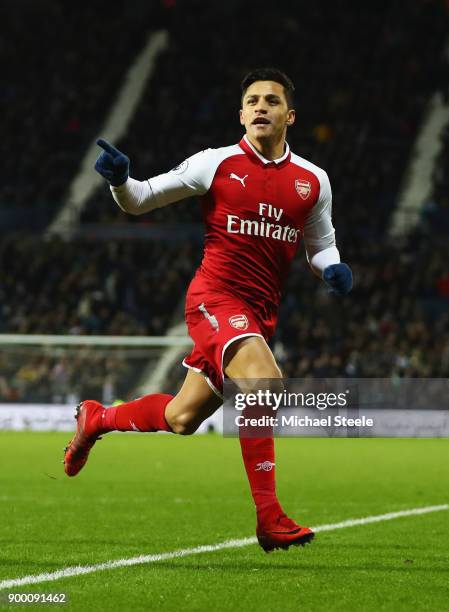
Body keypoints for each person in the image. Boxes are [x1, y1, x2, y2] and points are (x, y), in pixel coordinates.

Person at [64, 68, 353, 552]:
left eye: (272, 101)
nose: (261, 107)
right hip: (213, 299)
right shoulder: (214, 164)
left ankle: (97, 418)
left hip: (258, 314)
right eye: (253, 101)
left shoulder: (313, 181)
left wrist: (333, 269)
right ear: (241, 115)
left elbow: (321, 246)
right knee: (264, 380)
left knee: (182, 417)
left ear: (290, 115)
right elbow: (140, 199)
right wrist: (119, 182)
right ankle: (269, 517)